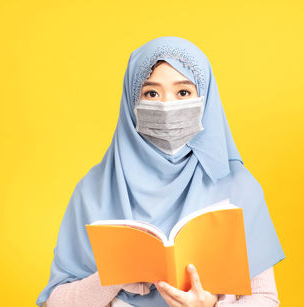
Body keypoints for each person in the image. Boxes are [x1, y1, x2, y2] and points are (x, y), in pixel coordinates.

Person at [36, 36, 286, 307]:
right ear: (132, 102)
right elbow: (54, 301)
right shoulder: (93, 190)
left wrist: (211, 306)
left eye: (183, 93)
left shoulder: (238, 186)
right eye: (151, 93)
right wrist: (113, 277)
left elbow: (265, 299)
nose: (167, 106)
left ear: (204, 99)